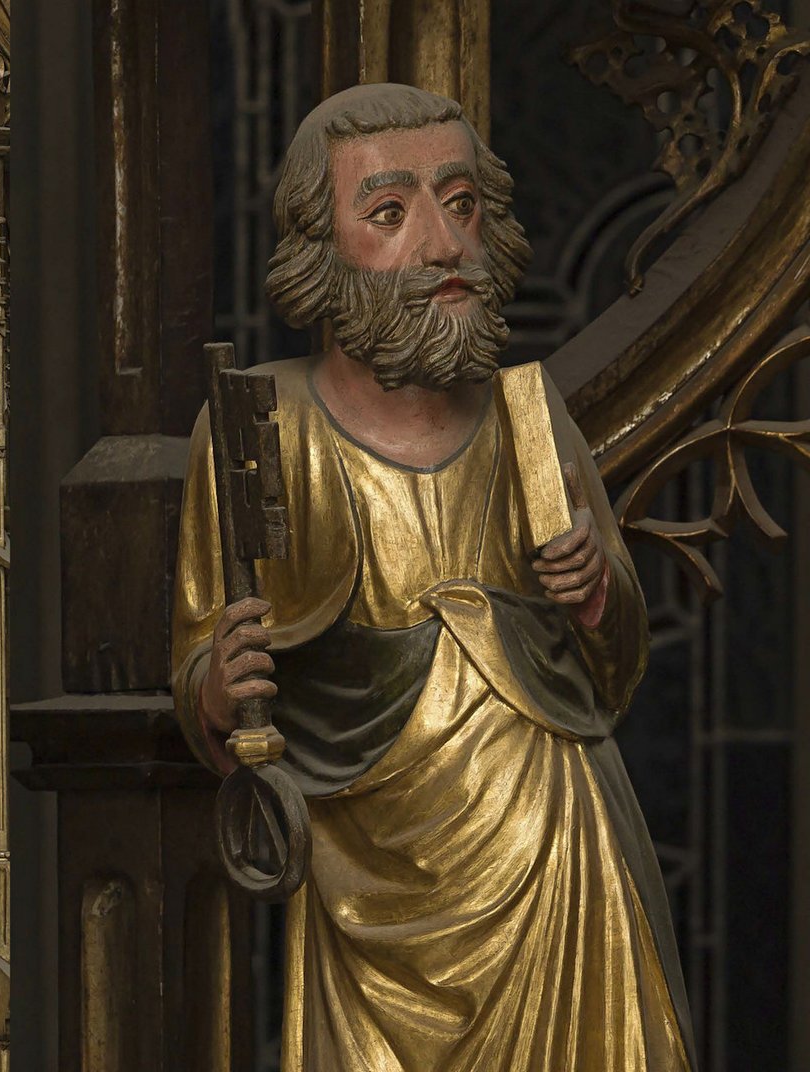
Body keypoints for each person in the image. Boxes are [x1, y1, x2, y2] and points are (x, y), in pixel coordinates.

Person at [171, 83, 692, 1070]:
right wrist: (214, 691)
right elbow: (209, 669)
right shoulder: (259, 428)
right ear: (317, 252)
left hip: (562, 864)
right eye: (388, 213)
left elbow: (614, 671)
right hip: (365, 880)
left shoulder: (528, 418)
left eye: (461, 204)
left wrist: (593, 593)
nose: (443, 245)